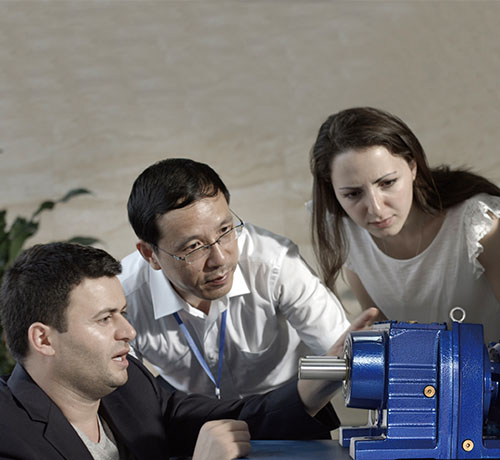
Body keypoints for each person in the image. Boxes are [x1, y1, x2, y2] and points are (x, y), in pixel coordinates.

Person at [0, 242, 378, 459]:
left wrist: (323, 377)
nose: (128, 331)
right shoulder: (7, 436)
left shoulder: (131, 386)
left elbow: (233, 418)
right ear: (43, 339)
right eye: (104, 319)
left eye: (124, 313)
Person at [118, 158, 350, 398]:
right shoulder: (123, 295)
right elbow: (123, 395)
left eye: (225, 231)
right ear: (150, 255)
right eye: (194, 246)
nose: (220, 259)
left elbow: (342, 357)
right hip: (188, 406)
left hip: (285, 396)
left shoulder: (274, 263)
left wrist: (305, 397)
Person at [309, 106, 500, 343]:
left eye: (388, 183)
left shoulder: (477, 224)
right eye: (353, 194)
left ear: (412, 167)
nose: (376, 209)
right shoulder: (348, 232)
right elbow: (385, 334)